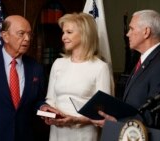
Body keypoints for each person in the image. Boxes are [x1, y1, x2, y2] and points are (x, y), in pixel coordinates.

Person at [91, 9, 160, 129]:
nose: (127, 34)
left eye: (132, 29)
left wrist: (118, 122)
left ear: (146, 32)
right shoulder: (143, 59)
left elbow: (158, 116)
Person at [40, 12, 112, 141]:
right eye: (63, 32)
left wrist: (76, 120)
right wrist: (46, 110)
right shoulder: (58, 63)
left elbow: (103, 113)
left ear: (85, 34)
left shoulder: (100, 67)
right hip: (56, 133)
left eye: (69, 32)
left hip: (84, 135)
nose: (63, 37)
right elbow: (51, 100)